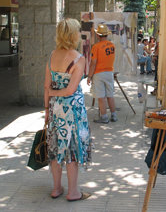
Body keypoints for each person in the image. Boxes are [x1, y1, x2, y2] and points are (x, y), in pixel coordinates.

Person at [44, 18, 92, 201]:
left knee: (55, 147)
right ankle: (73, 192)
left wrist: (47, 110)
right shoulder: (79, 59)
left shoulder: (51, 55)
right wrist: (57, 92)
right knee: (72, 148)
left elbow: (46, 86)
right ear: (73, 35)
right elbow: (71, 90)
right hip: (73, 111)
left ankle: (56, 188)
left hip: (55, 109)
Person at [87, 24, 117, 123]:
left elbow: (93, 63)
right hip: (109, 72)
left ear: (98, 35)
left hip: (99, 73)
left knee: (101, 96)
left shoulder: (96, 47)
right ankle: (114, 115)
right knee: (110, 95)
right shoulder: (112, 45)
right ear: (106, 35)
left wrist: (89, 76)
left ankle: (104, 117)